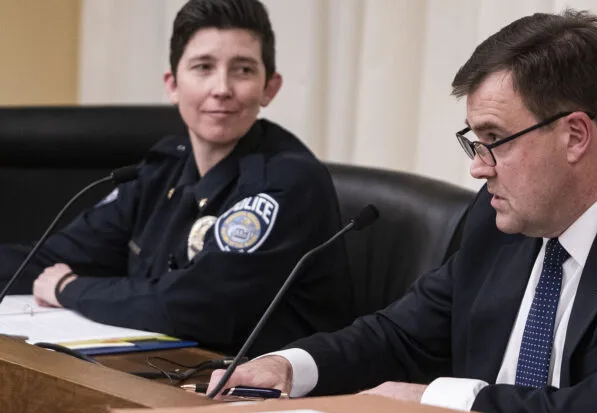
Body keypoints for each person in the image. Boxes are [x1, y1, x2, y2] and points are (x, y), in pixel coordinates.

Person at [209, 9, 597, 413]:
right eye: (474, 141)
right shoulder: (501, 216)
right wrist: (290, 365)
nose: (478, 167)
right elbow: (403, 335)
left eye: (494, 139)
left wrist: (441, 400)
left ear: (575, 135)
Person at [0, 0, 352, 356]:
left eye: (243, 70)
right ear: (172, 85)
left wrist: (69, 289)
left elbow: (197, 304)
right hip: (165, 367)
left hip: (257, 381)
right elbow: (51, 258)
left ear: (269, 88)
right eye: (203, 67)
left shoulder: (287, 181)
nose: (222, 88)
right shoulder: (162, 168)